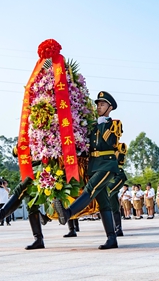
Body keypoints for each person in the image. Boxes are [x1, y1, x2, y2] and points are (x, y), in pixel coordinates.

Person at [54, 91, 123, 249]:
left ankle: (68, 213)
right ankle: (111, 238)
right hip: (94, 165)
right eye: (98, 104)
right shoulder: (93, 125)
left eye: (103, 104)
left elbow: (111, 141)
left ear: (110, 107)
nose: (99, 107)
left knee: (90, 189)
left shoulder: (113, 124)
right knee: (103, 202)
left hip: (107, 164)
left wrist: (102, 124)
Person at [107, 142, 127, 237]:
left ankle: (118, 228)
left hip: (117, 174)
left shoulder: (117, 146)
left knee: (107, 192)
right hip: (110, 174)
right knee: (113, 204)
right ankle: (118, 228)